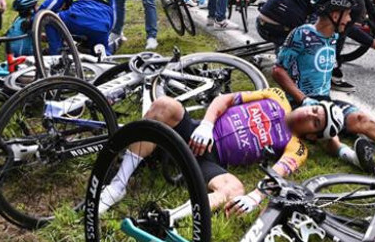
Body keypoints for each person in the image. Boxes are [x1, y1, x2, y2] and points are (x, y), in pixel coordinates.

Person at [98, 87, 340, 217]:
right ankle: (117, 187)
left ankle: (170, 217)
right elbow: (225, 100)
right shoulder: (276, 96)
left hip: (211, 160)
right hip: (196, 132)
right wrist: (207, 124)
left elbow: (276, 175)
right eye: (315, 110)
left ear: (312, 136)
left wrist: (255, 197)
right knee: (164, 106)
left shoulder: (297, 147)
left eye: (315, 123)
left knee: (234, 189)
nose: (310, 115)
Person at [271, 0, 375, 172]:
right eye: (346, 14)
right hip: (300, 105)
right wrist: (303, 99)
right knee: (328, 131)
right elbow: (278, 70)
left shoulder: (334, 36)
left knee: (360, 119)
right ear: (334, 14)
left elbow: (355, 32)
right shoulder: (302, 35)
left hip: (325, 101)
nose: (348, 19)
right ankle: (353, 157)